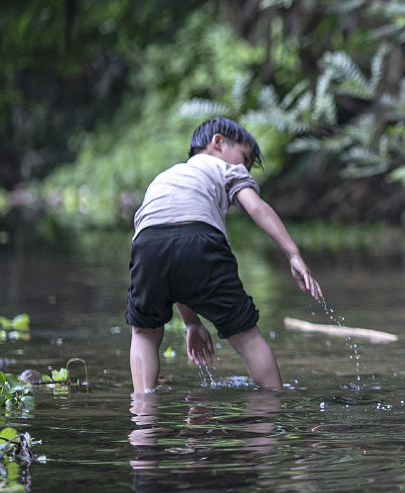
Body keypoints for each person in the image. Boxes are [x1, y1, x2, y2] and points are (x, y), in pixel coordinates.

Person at [127, 117, 322, 394]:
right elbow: (256, 208)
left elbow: (170, 258)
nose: (246, 169)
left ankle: (143, 418)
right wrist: (293, 254)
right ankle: (271, 412)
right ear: (218, 142)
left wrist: (192, 323)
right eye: (245, 158)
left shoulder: (164, 177)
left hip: (146, 243)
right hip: (201, 240)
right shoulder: (224, 167)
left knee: (144, 332)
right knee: (247, 336)